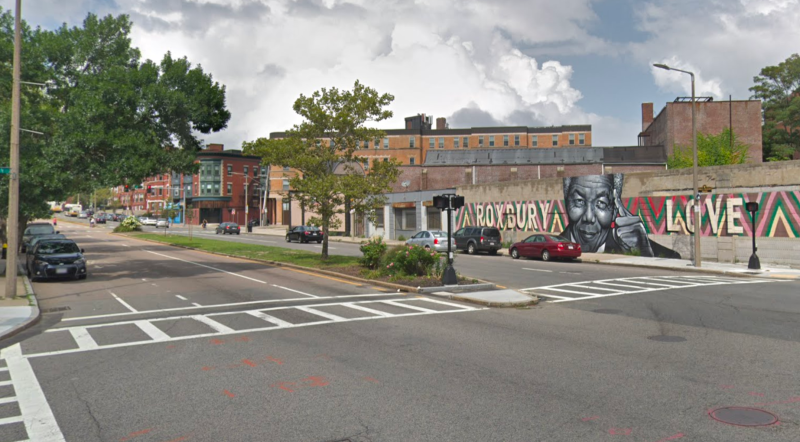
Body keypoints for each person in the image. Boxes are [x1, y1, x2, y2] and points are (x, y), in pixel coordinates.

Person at [561, 174, 680, 258]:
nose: (589, 217)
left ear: (614, 210)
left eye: (601, 203)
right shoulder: (555, 245)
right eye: (579, 201)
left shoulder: (665, 255)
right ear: (567, 203)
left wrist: (642, 251)